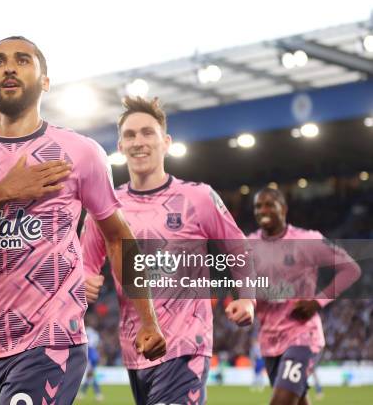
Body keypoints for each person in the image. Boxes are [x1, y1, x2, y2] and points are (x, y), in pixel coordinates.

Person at [0, 36, 166, 404]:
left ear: (45, 81)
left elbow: (118, 238)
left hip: (51, 344)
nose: (10, 67)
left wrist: (148, 319)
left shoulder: (80, 153)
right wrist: (2, 192)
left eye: (23, 60)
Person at [81, 96, 255, 405]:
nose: (139, 142)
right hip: (137, 349)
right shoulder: (105, 211)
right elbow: (83, 267)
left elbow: (238, 247)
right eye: (130, 135)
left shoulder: (198, 197)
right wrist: (84, 281)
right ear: (120, 147)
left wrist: (248, 298)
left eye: (148, 132)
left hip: (187, 345)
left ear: (166, 142)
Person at [249, 187, 361, 405]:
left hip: (302, 335)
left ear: (284, 209)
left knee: (280, 402)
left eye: (270, 204)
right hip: (269, 341)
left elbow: (351, 269)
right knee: (298, 401)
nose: (263, 210)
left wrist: (318, 301)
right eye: (258, 206)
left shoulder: (307, 240)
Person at [77, 322, 103, 401]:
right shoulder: (95, 334)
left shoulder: (86, 331)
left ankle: (97, 393)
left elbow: (87, 344)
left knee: (90, 376)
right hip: (93, 355)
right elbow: (98, 345)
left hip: (90, 355)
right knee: (90, 377)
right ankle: (85, 393)